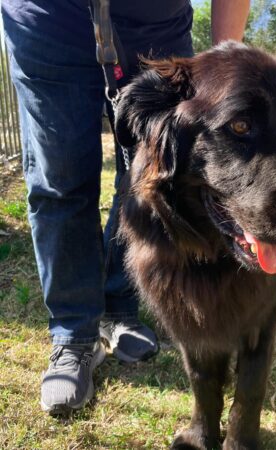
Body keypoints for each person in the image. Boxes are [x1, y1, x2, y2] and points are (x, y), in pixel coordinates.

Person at [1, 0, 250, 416]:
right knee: (58, 180)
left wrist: (224, 58)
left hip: (156, 23)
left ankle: (121, 307)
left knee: (150, 177)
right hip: (48, 19)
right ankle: (74, 335)